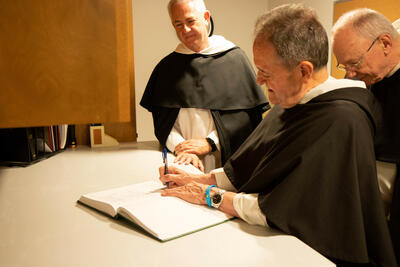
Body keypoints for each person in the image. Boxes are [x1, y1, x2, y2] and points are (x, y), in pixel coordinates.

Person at [158, 4, 397, 267]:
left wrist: (210, 195)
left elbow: (289, 209)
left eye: (267, 72)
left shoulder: (341, 121)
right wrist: (204, 179)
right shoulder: (292, 100)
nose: (258, 81)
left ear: (304, 70)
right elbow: (256, 164)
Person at [140, 0, 269, 173]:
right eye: (178, 24)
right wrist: (182, 148)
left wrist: (210, 143)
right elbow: (163, 121)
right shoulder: (167, 67)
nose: (185, 29)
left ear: (206, 17)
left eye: (190, 21)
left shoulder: (235, 60)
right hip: (182, 161)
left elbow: (247, 119)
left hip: (225, 162)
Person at [332, 8, 400, 264]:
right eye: (344, 64)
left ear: (385, 43)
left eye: (354, 63)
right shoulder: (369, 74)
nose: (349, 73)